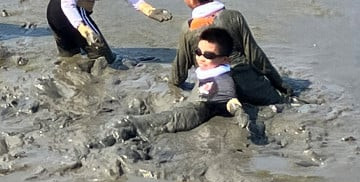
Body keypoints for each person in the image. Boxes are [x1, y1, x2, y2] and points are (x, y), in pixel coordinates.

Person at [94, 27, 248, 146]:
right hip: (185, 107)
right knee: (143, 123)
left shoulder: (223, 80)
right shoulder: (211, 70)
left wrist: (240, 113)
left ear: (225, 60)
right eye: (198, 52)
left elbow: (231, 100)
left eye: (208, 56)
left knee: (139, 125)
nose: (201, 58)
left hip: (190, 114)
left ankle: (105, 140)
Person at [172, 0, 291, 105]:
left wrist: (172, 84)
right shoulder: (234, 17)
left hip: (215, 89)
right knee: (284, 103)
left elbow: (179, 73)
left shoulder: (188, 29)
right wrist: (281, 85)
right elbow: (256, 57)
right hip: (249, 87)